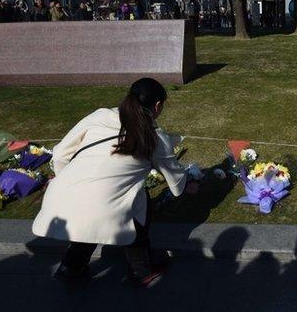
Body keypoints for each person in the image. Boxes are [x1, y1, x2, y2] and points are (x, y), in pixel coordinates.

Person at [32, 78, 200, 286]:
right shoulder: (155, 137)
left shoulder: (100, 115)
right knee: (138, 199)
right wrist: (188, 186)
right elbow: (176, 183)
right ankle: (140, 269)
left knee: (95, 208)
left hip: (58, 201)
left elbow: (58, 155)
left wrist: (74, 184)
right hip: (101, 206)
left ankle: (70, 266)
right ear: (157, 106)